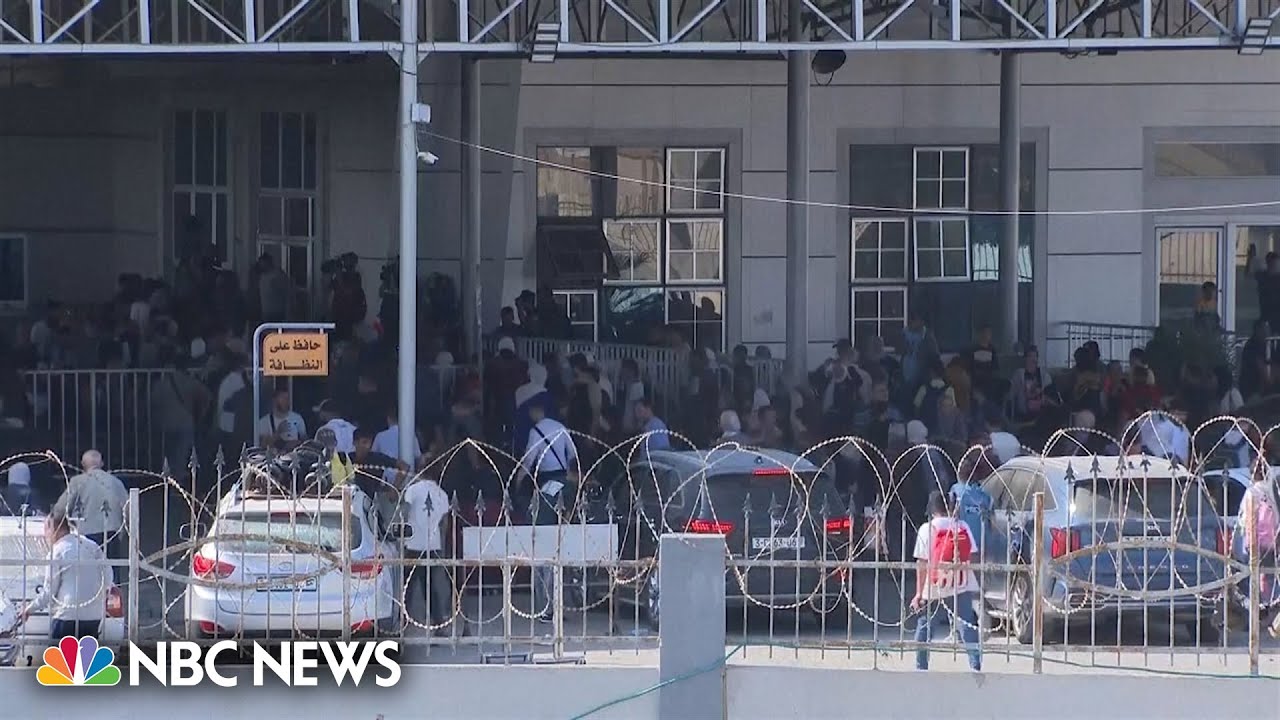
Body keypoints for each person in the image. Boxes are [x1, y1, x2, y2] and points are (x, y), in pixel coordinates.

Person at [910, 491, 982, 672]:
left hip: (935, 587)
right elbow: (973, 555)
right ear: (950, 506)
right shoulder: (961, 525)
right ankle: (976, 666)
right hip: (960, 585)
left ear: (932, 509)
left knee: (925, 625)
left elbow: (922, 563)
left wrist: (919, 593)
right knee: (967, 626)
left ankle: (921, 667)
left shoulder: (927, 528)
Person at [519, 403, 576, 622]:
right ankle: (553, 607)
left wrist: (519, 479)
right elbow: (572, 453)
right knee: (555, 562)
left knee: (545, 562)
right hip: (560, 478)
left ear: (537, 411)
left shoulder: (536, 431)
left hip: (544, 481)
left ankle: (548, 607)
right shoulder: (561, 427)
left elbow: (529, 459)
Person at [18, 506, 111, 640]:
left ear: (53, 529)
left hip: (67, 617)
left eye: (46, 530)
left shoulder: (57, 552)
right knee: (85, 659)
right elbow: (108, 575)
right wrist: (99, 595)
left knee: (60, 659)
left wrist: (28, 609)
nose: (45, 536)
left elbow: (49, 592)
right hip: (93, 616)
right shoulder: (91, 546)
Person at [53, 450, 128, 583]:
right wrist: (123, 531)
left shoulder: (78, 482)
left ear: (82, 464)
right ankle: (111, 601)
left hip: (85, 536)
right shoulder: (115, 482)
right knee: (111, 576)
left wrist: (54, 524)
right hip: (111, 533)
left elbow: (60, 509)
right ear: (102, 463)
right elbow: (128, 509)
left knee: (88, 577)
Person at [400, 471, 453, 635]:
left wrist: (401, 537)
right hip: (433, 545)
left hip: (413, 544)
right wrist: (441, 546)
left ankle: (401, 622)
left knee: (406, 586)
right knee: (430, 587)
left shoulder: (413, 489)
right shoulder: (442, 493)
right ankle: (438, 625)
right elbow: (445, 523)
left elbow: (404, 512)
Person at [256, 385, 307, 452]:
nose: (286, 401)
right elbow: (262, 446)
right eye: (283, 398)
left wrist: (297, 443)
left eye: (287, 398)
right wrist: (278, 433)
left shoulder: (297, 418)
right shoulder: (264, 422)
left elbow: (305, 441)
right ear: (274, 400)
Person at [258, 253, 292, 324]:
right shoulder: (262, 276)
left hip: (277, 313)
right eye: (260, 264)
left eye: (263, 263)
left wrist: (287, 313)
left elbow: (287, 294)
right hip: (265, 312)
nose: (261, 266)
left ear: (268, 262)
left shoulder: (278, 276)